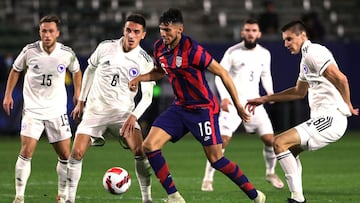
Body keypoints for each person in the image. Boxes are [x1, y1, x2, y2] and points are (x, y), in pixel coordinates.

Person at [128, 8, 266, 203]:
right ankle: (174, 196)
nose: (164, 34)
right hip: (180, 107)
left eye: (168, 30)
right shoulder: (159, 47)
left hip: (203, 110)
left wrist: (238, 105)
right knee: (149, 146)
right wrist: (140, 78)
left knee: (216, 160)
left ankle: (255, 195)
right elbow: (160, 71)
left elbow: (223, 73)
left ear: (179, 29)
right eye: (161, 29)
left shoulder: (193, 51)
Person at [246, 20, 359, 203]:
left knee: (279, 142)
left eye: (289, 39)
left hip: (331, 118)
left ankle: (298, 199)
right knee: (289, 149)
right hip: (325, 117)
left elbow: (342, 79)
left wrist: (348, 106)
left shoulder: (314, 52)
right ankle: (297, 198)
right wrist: (265, 99)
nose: (286, 44)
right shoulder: (306, 58)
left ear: (303, 35)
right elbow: (299, 92)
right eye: (284, 40)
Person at [66, 13, 154, 203]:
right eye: (128, 30)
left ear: (143, 35)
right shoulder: (105, 47)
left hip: (123, 114)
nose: (131, 35)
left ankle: (147, 199)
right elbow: (89, 69)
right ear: (124, 29)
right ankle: (69, 199)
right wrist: (81, 100)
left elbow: (147, 97)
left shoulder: (145, 61)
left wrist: (133, 116)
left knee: (140, 151)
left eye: (136, 32)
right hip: (95, 110)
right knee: (76, 153)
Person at [2, 15, 82, 203]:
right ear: (40, 32)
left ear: (58, 33)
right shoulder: (29, 51)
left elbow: (77, 71)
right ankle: (19, 196)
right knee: (26, 151)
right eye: (44, 31)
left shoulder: (66, 53)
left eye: (51, 31)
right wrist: (8, 95)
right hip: (33, 110)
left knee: (64, 155)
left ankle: (61, 195)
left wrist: (78, 92)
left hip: (57, 110)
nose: (47, 35)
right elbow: (15, 70)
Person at [201, 18, 284, 192]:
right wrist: (224, 97)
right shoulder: (233, 52)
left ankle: (270, 172)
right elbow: (218, 75)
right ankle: (208, 179)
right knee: (221, 141)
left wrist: (270, 93)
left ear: (259, 34)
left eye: (254, 30)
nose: (250, 33)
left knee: (271, 140)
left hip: (254, 103)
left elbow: (266, 75)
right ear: (242, 32)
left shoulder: (265, 53)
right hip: (233, 103)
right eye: (247, 30)